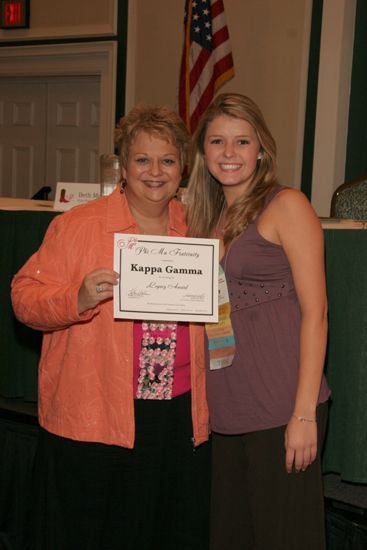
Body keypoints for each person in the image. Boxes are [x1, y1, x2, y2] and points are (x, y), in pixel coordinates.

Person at [11, 104, 211, 550]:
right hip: (97, 410)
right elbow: (23, 298)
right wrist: (76, 299)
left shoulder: (197, 227)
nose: (155, 171)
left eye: (168, 160)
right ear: (123, 165)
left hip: (175, 412)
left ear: (184, 167)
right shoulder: (79, 226)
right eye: (142, 159)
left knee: (160, 528)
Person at [185, 93, 330, 550]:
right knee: (232, 536)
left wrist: (303, 413)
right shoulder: (205, 216)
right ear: (203, 153)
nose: (229, 153)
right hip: (227, 404)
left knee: (285, 537)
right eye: (217, 142)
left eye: (242, 141)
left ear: (261, 149)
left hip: (282, 403)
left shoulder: (286, 204)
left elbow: (317, 313)